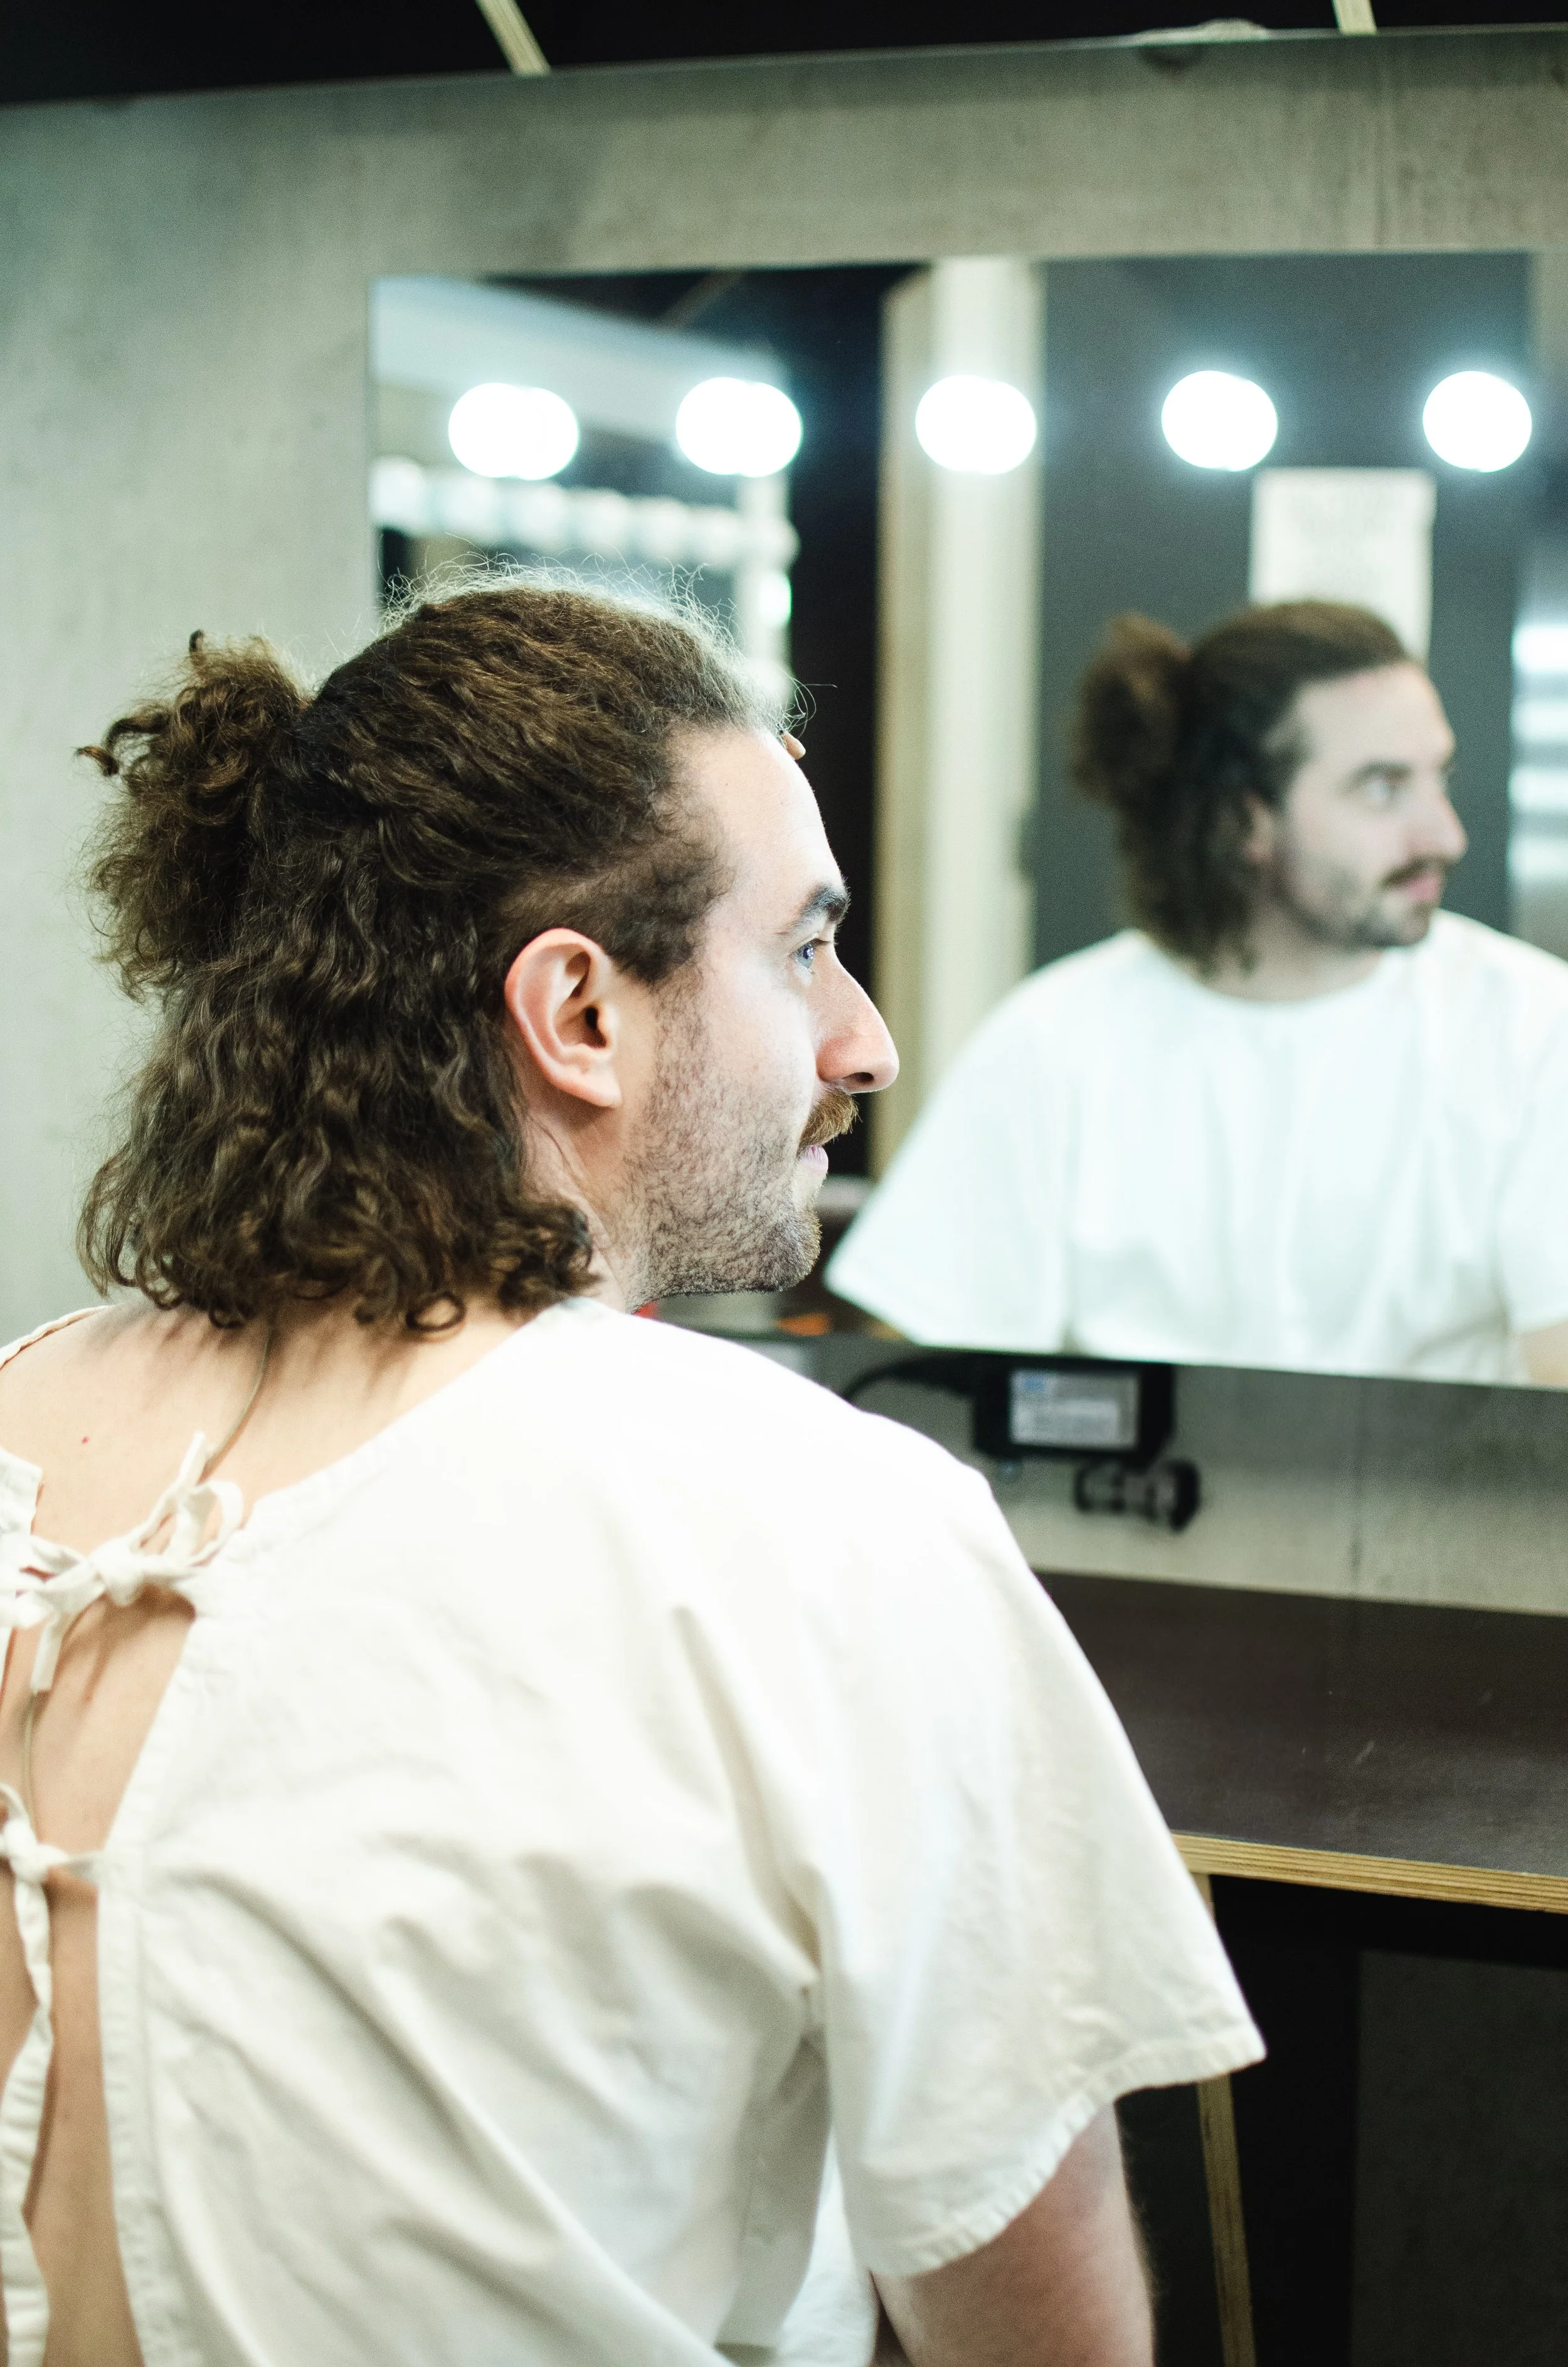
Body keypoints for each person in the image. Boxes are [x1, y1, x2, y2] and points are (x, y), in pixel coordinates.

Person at [0, 584, 1258, 2367]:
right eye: (802, 948)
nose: (865, 1040)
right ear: (576, 1010)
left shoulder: (20, 1416)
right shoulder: (816, 1527)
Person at [830, 600, 1568, 1384]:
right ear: (1245, 817)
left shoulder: (1533, 1031)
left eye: (1436, 777)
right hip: (1120, 1505)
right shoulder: (1059, 1041)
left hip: (1444, 1507)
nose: (1443, 835)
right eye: (1383, 788)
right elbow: (919, 1380)